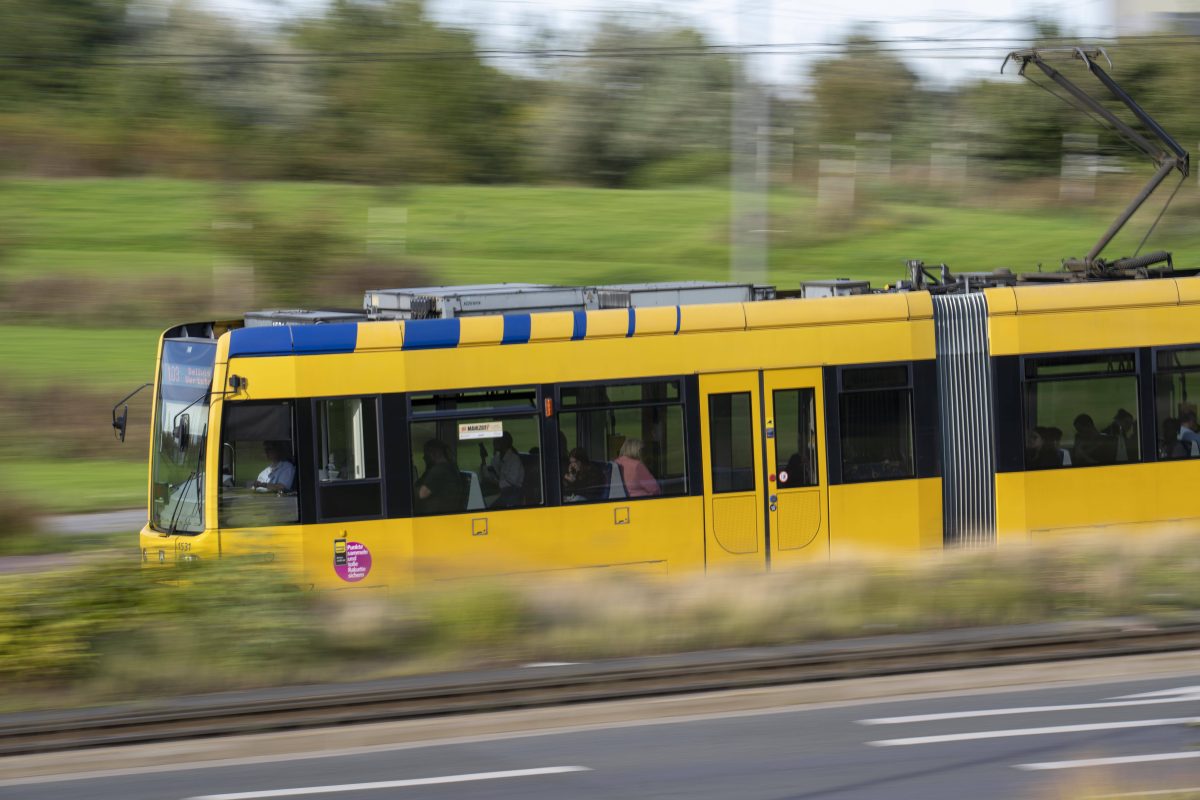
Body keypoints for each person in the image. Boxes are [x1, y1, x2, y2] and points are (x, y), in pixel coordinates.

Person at [415, 439, 465, 515]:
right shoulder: (450, 467)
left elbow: (422, 494)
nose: (424, 457)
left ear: (435, 453)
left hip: (437, 515)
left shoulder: (439, 470)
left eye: (426, 454)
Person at [479, 431, 524, 508]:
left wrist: (495, 482)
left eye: (497, 440)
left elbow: (511, 483)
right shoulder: (497, 458)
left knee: (484, 504)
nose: (494, 442)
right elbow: (488, 475)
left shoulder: (514, 460)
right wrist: (483, 458)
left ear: (505, 443)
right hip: (499, 491)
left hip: (512, 494)